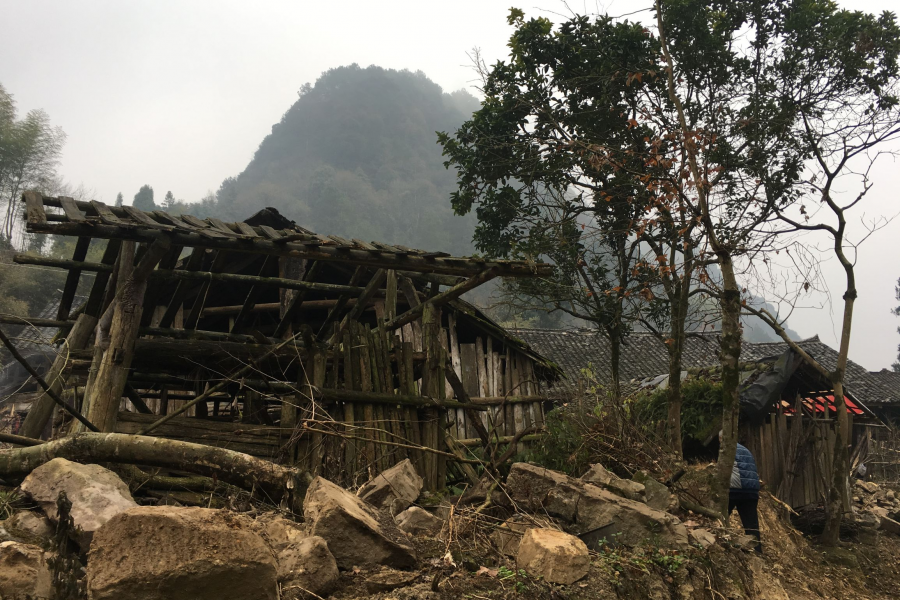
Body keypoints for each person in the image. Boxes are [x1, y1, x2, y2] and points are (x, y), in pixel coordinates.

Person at [720, 430, 762, 553]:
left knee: (721, 517)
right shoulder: (746, 450)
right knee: (751, 523)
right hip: (752, 490)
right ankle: (757, 551)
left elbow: (722, 469)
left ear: (722, 439)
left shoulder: (728, 449)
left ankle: (723, 544)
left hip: (735, 489)